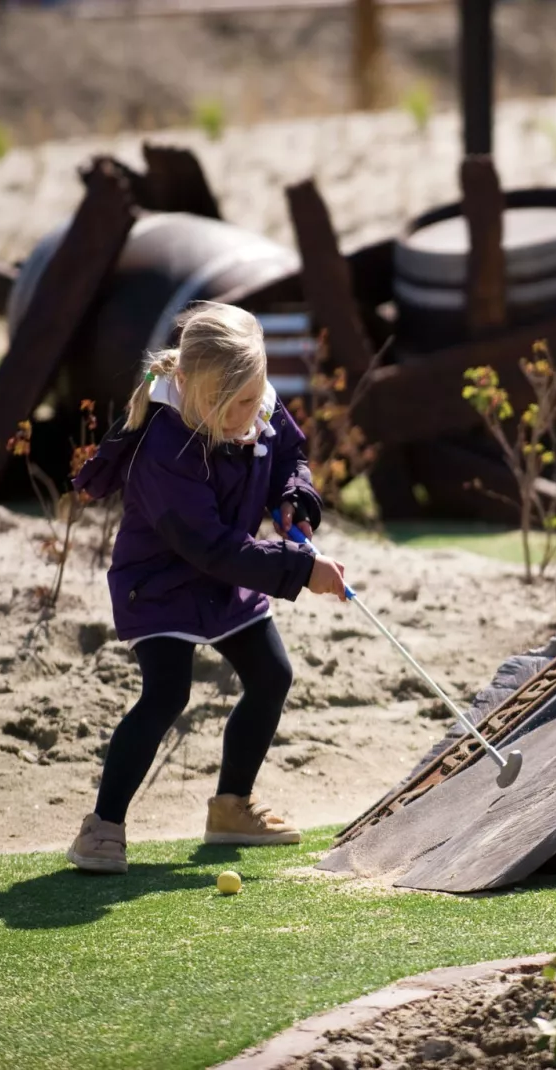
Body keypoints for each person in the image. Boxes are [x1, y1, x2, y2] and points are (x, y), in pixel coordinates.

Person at [64, 301, 347, 875]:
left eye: (255, 397)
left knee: (272, 675)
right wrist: (299, 570)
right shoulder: (165, 447)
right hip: (163, 581)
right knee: (167, 694)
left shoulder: (254, 401)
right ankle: (102, 828)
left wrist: (295, 500)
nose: (252, 411)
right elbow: (210, 546)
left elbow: (289, 452)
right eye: (237, 404)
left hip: (228, 576)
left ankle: (231, 808)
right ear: (192, 389)